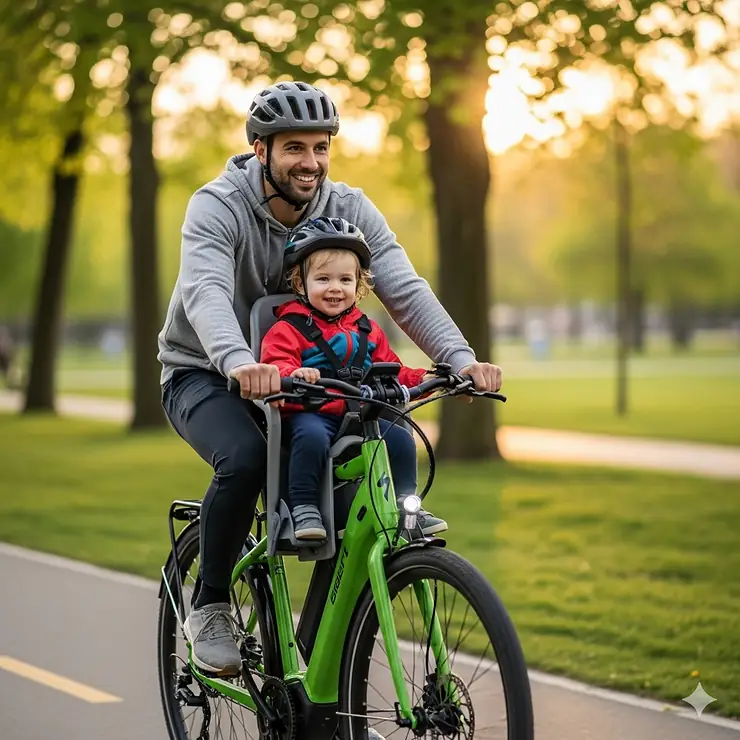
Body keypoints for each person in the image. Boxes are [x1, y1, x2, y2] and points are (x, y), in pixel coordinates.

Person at [157, 80, 503, 677]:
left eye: (320, 147)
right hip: (207, 372)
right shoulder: (217, 206)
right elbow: (205, 292)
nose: (310, 162)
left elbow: (403, 287)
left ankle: (324, 661)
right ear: (261, 150)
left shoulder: (350, 208)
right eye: (294, 148)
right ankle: (211, 602)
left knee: (351, 509)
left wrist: (460, 357)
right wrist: (240, 363)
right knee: (245, 455)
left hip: (318, 381)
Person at [259, 216, 447, 541]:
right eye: (323, 279)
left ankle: (406, 508)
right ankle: (304, 508)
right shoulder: (287, 329)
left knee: (400, 438)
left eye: (345, 279)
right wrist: (296, 374)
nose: (335, 288)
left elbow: (391, 369)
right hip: (312, 412)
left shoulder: (367, 329)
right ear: (301, 284)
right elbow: (275, 367)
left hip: (361, 415)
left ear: (358, 284)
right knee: (311, 437)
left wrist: (429, 377)